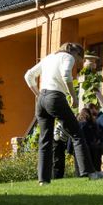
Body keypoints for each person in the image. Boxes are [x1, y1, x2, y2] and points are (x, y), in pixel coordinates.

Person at [24, 42, 89, 185]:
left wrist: (38, 94)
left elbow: (28, 75)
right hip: (55, 97)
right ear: (76, 54)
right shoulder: (68, 57)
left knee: (45, 140)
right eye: (80, 59)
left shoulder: (49, 57)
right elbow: (66, 75)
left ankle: (43, 180)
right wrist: (73, 96)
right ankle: (87, 172)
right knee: (76, 133)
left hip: (42, 100)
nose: (78, 62)